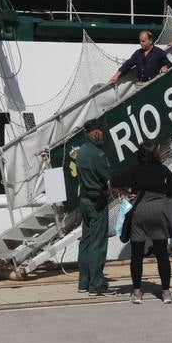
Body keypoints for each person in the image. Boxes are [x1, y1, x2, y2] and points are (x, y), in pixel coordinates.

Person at [110, 145, 172, 304]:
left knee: (136, 255)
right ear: (155, 154)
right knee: (162, 254)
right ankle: (166, 292)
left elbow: (113, 182)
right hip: (158, 212)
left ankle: (137, 292)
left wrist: (127, 194)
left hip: (139, 212)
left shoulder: (134, 169)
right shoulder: (162, 169)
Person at [73, 121, 111, 296]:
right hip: (98, 202)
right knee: (98, 243)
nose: (102, 135)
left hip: (85, 200)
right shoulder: (98, 154)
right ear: (95, 133)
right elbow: (108, 177)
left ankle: (84, 282)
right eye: (100, 131)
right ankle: (96, 284)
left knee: (86, 242)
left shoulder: (80, 152)